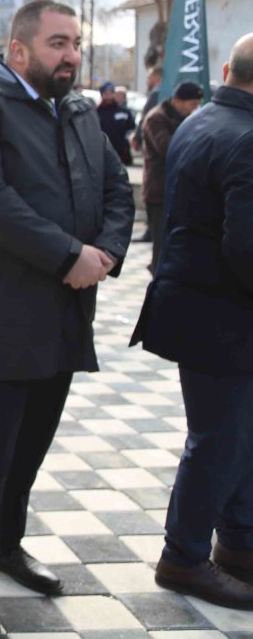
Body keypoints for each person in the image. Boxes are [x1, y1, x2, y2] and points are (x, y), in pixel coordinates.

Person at [0, 0, 135, 636]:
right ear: (19, 49)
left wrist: (103, 255)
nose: (72, 55)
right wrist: (66, 255)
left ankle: (4, 547)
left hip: (65, 314)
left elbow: (116, 186)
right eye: (58, 43)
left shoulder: (77, 108)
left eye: (76, 43)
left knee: (28, 452)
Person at [132, 33, 253, 609]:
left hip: (196, 305)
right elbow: (247, 247)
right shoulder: (247, 135)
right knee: (219, 441)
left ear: (228, 69)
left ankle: (238, 544)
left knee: (237, 437)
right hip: (225, 314)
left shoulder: (202, 120)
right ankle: (183, 557)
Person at [140, 81, 203, 273]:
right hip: (159, 191)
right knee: (161, 242)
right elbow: (168, 149)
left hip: (177, 189)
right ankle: (158, 280)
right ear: (178, 101)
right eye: (192, 104)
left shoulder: (185, 118)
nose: (195, 109)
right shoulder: (156, 118)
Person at [97, 81, 135, 166]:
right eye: (106, 94)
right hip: (101, 152)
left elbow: (131, 127)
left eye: (111, 93)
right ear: (102, 95)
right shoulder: (96, 112)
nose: (108, 96)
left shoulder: (123, 111)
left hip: (120, 153)